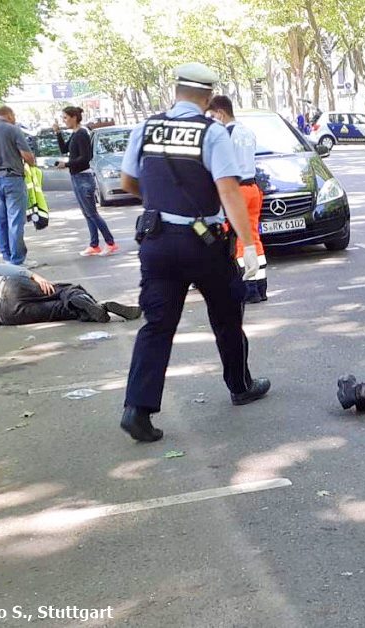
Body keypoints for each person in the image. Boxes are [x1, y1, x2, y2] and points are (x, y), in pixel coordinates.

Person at [117, 62, 268, 443]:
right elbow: (229, 190)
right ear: (206, 96)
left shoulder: (146, 128)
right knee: (226, 314)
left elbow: (127, 181)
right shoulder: (212, 133)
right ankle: (240, 385)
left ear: (176, 91)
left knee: (157, 325)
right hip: (203, 242)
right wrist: (248, 243)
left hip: (155, 241)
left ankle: (137, 409)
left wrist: (158, 204)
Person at [207, 95, 267, 303]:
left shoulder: (226, 134)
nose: (213, 119)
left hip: (238, 190)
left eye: (213, 115)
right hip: (253, 188)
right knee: (253, 236)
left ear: (221, 113)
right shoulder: (247, 132)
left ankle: (249, 288)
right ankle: (261, 286)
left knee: (240, 238)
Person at [0, 264, 141, 326]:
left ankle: (98, 311)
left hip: (1, 315)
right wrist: (34, 276)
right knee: (62, 290)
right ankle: (90, 302)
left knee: (60, 310)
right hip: (5, 286)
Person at [56, 106, 117, 256]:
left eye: (65, 117)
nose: (63, 120)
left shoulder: (82, 133)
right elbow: (64, 149)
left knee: (92, 213)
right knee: (87, 213)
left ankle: (110, 243)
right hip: (77, 177)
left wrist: (67, 164)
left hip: (83, 177)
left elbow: (85, 157)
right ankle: (94, 244)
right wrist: (57, 133)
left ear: (74, 117)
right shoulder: (75, 133)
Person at [0, 106, 36, 265]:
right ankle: (17, 259)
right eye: (14, 115)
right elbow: (27, 155)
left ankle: (6, 256)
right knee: (15, 220)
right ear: (9, 115)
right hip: (12, 178)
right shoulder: (13, 130)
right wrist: (31, 163)